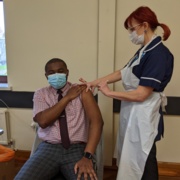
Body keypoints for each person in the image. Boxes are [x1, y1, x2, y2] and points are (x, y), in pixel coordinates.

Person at [80, 6, 174, 180]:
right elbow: (122, 72)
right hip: (134, 111)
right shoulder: (144, 51)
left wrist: (109, 93)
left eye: (132, 28)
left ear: (144, 25)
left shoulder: (158, 54)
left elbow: (141, 94)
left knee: (144, 158)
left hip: (144, 114)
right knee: (131, 158)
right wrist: (96, 82)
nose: (130, 33)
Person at [15, 58, 104, 180]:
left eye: (60, 71)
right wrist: (67, 98)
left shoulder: (82, 90)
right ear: (46, 76)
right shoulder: (41, 94)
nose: (56, 75)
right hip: (48, 149)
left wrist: (87, 157)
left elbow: (97, 122)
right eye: (51, 73)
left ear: (67, 72)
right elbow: (43, 121)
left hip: (76, 149)